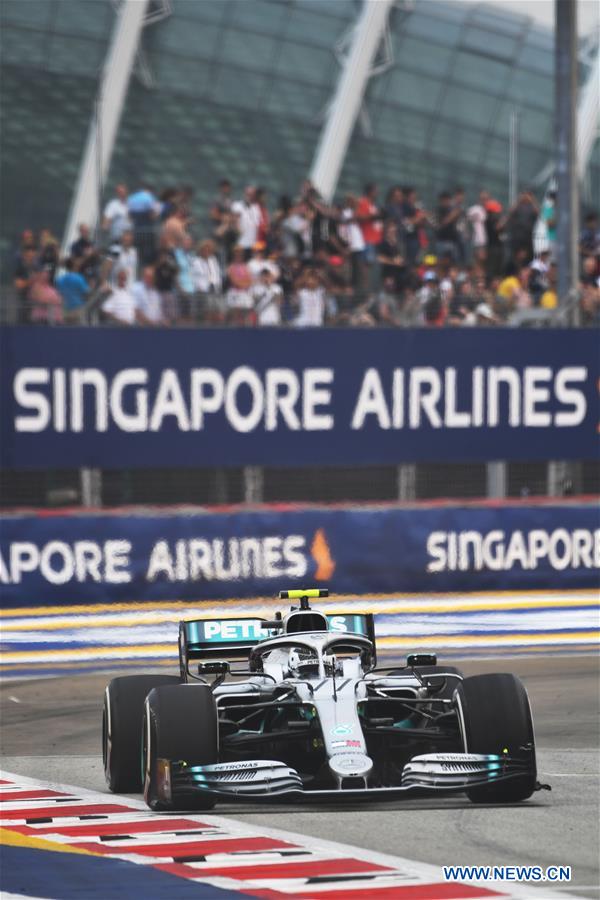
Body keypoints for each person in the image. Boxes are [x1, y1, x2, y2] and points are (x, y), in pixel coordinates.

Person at [356, 183, 383, 265]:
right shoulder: (363, 202)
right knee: (365, 264)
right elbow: (359, 217)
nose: (377, 194)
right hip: (367, 238)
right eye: (375, 191)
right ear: (370, 192)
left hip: (375, 240)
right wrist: (374, 216)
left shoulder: (374, 205)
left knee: (370, 264)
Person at [55, 258, 89, 322]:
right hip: (78, 309)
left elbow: (58, 293)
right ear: (74, 266)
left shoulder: (60, 279)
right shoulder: (79, 278)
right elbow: (86, 293)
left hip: (64, 309)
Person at [226, 245, 253, 324]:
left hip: (245, 293)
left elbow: (249, 280)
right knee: (236, 315)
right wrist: (243, 284)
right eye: (237, 253)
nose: (239, 255)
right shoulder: (230, 267)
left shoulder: (245, 266)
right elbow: (234, 281)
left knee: (247, 315)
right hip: (235, 293)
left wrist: (243, 284)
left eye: (240, 253)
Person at [231, 186, 261, 257]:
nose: (250, 196)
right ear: (244, 194)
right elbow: (234, 220)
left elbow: (257, 224)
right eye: (248, 194)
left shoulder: (256, 207)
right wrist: (238, 229)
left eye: (252, 194)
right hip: (240, 242)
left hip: (253, 243)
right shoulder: (237, 205)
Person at [467, 191, 489, 263]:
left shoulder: (489, 210)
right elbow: (467, 222)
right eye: (483, 198)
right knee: (475, 260)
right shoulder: (473, 209)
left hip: (486, 240)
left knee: (483, 261)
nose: (484, 201)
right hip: (475, 239)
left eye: (486, 199)